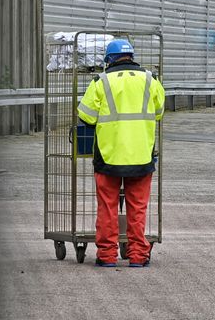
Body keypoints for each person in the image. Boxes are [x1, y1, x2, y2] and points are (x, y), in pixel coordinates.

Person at [77, 39, 165, 268]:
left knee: (107, 208)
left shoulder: (101, 81)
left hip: (109, 156)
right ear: (131, 56)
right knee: (137, 209)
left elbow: (86, 116)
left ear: (109, 59)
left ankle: (106, 256)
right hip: (141, 156)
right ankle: (137, 256)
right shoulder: (150, 80)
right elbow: (159, 112)